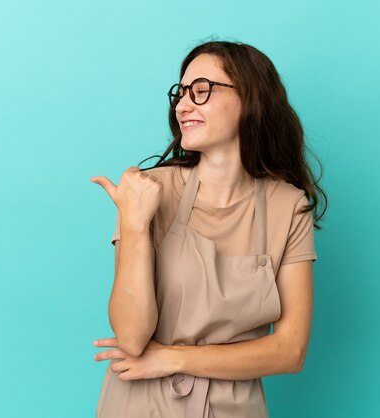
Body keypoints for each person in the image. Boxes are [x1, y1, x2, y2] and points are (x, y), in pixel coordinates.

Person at [89, 39, 327, 418]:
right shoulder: (148, 191)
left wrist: (171, 358)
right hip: (138, 405)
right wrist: (134, 224)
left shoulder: (288, 207)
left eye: (201, 91)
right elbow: (132, 339)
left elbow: (290, 350)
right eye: (181, 94)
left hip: (236, 409)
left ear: (250, 99)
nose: (183, 106)